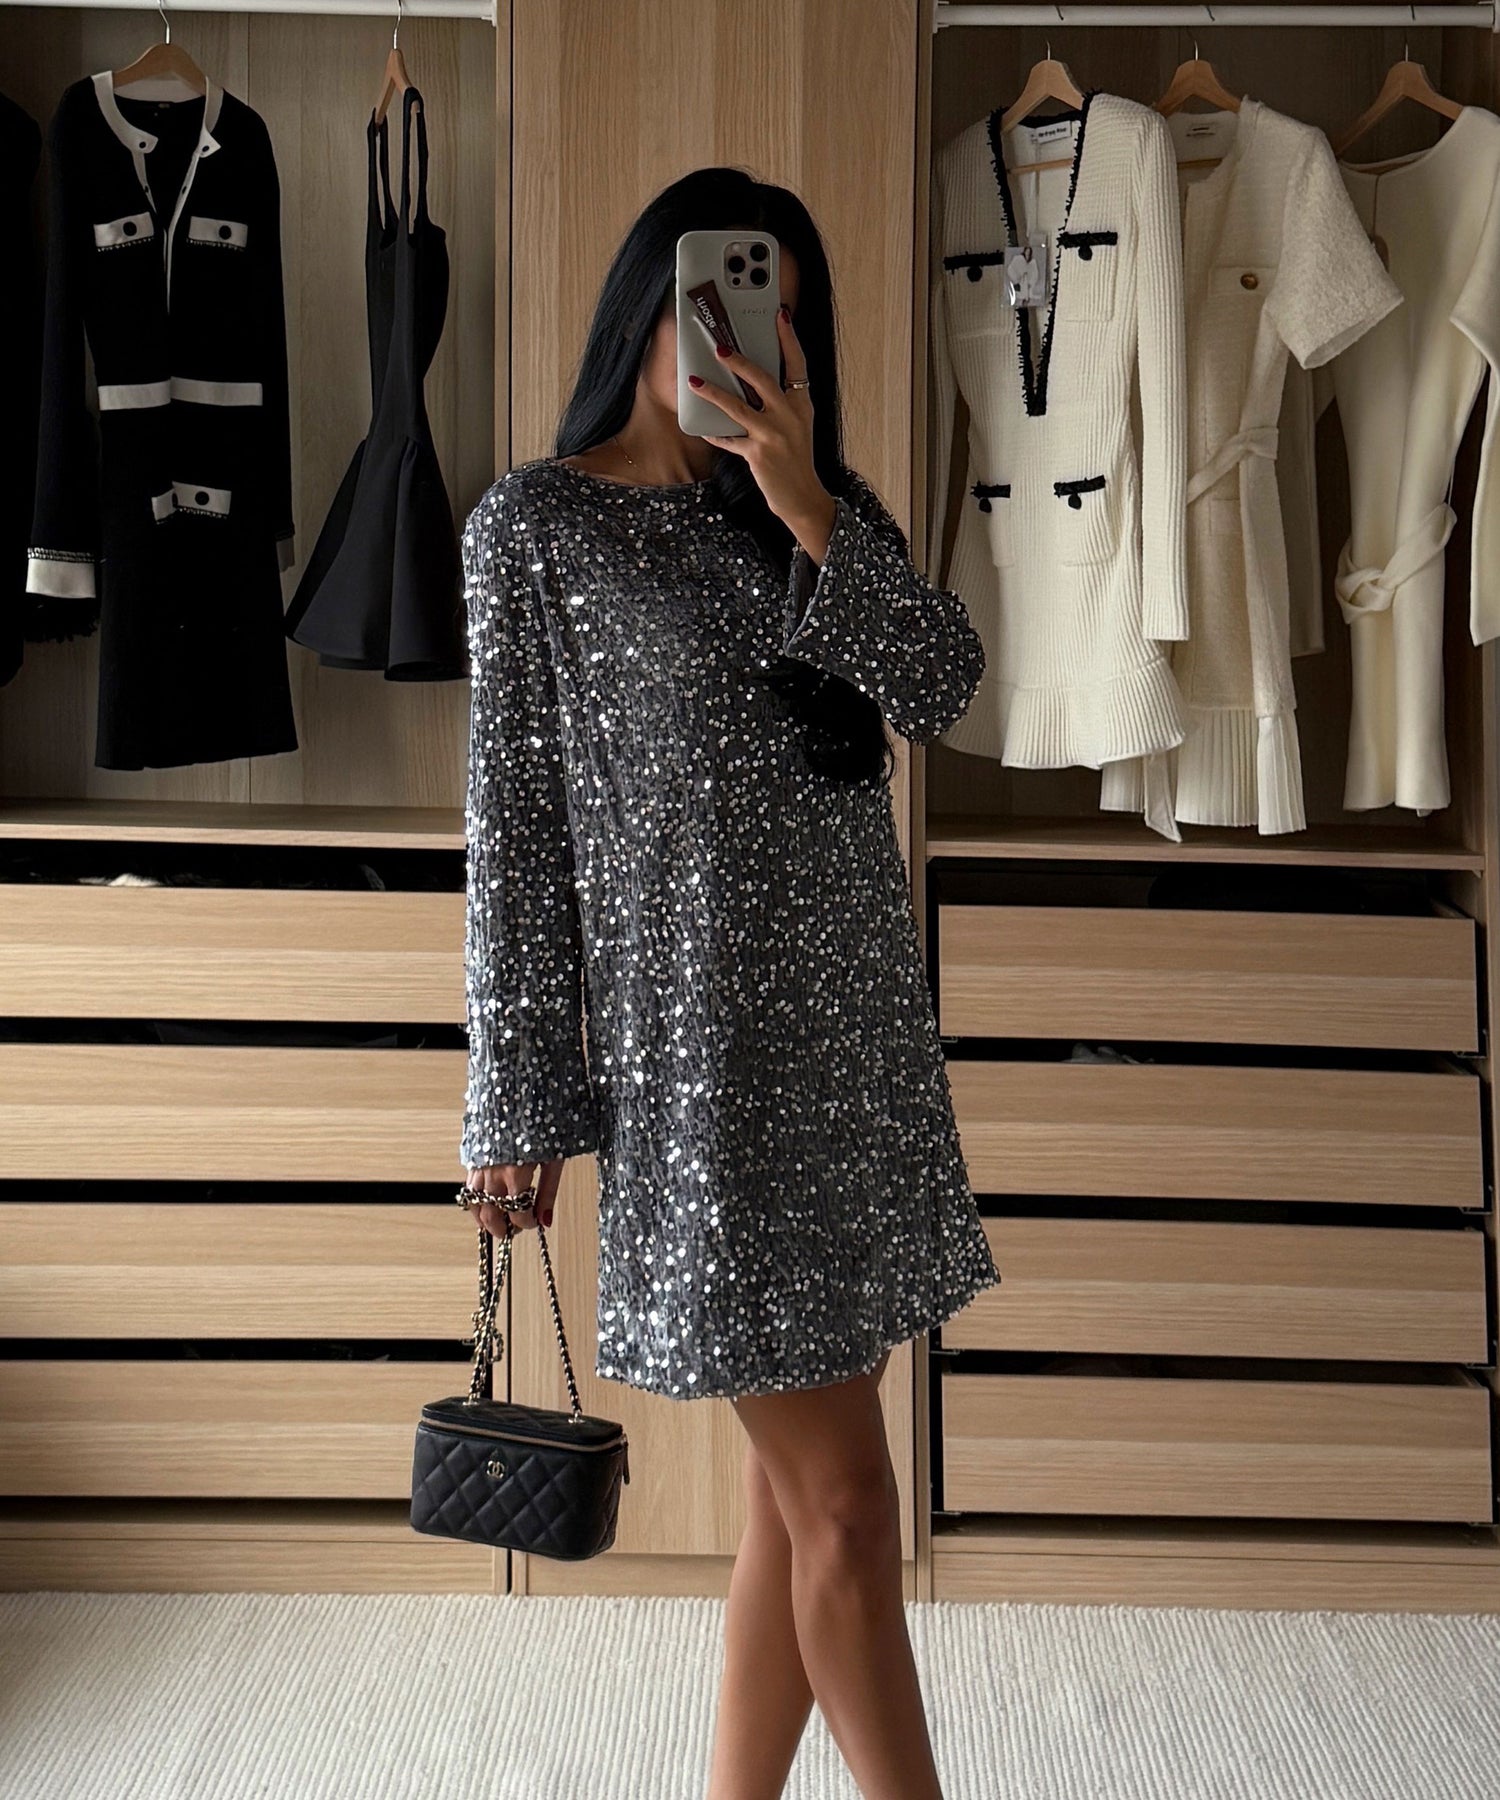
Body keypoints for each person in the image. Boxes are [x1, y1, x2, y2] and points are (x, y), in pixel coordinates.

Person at [459, 165, 1001, 1800]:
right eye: (719, 307)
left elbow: (945, 686)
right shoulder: (533, 529)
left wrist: (811, 505)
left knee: (797, 1497)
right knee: (846, 1501)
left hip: (856, 1046)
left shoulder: (812, 509)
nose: (748, 345)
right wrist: (516, 1099)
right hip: (703, 1078)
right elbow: (516, 836)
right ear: (652, 302)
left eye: (777, 318)